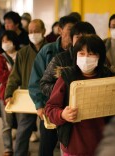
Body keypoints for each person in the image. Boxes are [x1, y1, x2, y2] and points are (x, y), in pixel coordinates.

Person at [45, 34, 115, 155]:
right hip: (74, 146)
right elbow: (50, 108)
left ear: (100, 57)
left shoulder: (108, 77)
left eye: (91, 54)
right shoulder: (67, 77)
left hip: (103, 145)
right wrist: (62, 114)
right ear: (75, 55)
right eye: (81, 54)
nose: (86, 58)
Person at [28, 15, 78, 156]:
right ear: (60, 30)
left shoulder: (80, 53)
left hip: (72, 110)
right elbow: (35, 81)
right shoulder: (47, 51)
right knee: (46, 146)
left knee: (69, 146)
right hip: (49, 108)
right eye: (70, 29)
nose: (73, 33)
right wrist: (39, 104)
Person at [4, 19, 47, 156]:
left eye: (36, 31)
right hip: (27, 97)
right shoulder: (23, 53)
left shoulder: (51, 50)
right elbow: (14, 75)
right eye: (30, 31)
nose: (33, 34)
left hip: (47, 97)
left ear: (44, 31)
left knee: (47, 131)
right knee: (23, 129)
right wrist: (9, 92)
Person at [0, 30, 20, 156]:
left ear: (14, 42)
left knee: (22, 124)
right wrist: (16, 75)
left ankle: (21, 149)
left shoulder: (21, 55)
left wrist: (11, 74)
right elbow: (1, 78)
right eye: (3, 41)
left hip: (21, 96)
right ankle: (8, 149)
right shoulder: (0, 58)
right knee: (7, 124)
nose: (5, 43)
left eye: (7, 41)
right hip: (5, 95)